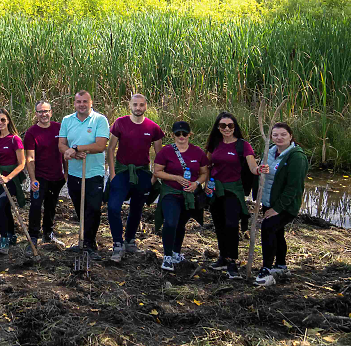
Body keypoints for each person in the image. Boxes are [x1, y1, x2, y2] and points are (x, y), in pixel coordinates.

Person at [204, 112, 266, 279]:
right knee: (219, 224)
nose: (226, 129)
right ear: (218, 127)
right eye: (223, 125)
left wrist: (259, 170)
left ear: (235, 127)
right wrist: (206, 186)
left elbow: (253, 167)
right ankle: (223, 257)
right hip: (216, 190)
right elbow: (207, 166)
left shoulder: (243, 145)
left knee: (232, 224)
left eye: (230, 125)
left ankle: (232, 261)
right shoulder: (214, 144)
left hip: (234, 190)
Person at [106, 94, 165, 262]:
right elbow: (110, 149)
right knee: (113, 207)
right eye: (135, 104)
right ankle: (117, 244)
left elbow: (159, 156)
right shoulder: (120, 123)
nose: (138, 108)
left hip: (142, 173)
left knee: (137, 209)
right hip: (122, 171)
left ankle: (130, 241)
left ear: (146, 106)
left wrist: (153, 177)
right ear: (129, 105)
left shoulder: (153, 128)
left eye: (141, 105)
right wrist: (112, 174)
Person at [255, 123, 308, 287]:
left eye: (283, 134)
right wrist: (260, 170)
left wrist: (277, 209)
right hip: (268, 201)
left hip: (285, 205)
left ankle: (266, 270)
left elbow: (293, 187)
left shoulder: (296, 157)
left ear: (290, 136)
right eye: (275, 135)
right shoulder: (270, 151)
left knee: (268, 227)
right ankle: (281, 265)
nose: (279, 138)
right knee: (277, 232)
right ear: (271, 137)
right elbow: (266, 172)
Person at [58, 91, 109, 260]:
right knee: (80, 208)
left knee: (93, 208)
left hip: (94, 174)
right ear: (74, 103)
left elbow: (100, 145)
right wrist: (70, 153)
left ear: (91, 102)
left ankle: (89, 243)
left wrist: (78, 148)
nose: (82, 104)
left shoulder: (99, 120)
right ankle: (83, 240)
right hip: (74, 173)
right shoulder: (67, 120)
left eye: (85, 101)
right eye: (78, 101)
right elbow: (61, 145)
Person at [153, 121, 209, 272]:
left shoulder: (198, 152)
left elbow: (204, 173)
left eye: (184, 133)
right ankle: (167, 256)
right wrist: (176, 178)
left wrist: (196, 183)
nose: (181, 136)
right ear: (173, 135)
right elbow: (157, 172)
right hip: (171, 192)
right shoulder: (166, 152)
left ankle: (176, 253)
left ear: (190, 134)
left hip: (189, 195)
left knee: (181, 224)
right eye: (178, 134)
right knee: (170, 222)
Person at [0, 108, 26, 255]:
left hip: (11, 181)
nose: (0, 123)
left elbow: (22, 164)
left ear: (8, 120)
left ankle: (4, 239)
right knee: (5, 207)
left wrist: (8, 177)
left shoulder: (15, 139)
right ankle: (11, 234)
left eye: (3, 120)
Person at [25, 100, 65, 246]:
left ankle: (48, 234)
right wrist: (33, 179)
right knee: (35, 206)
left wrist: (65, 174)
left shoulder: (59, 128)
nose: (44, 114)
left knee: (51, 206)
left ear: (51, 112)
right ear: (36, 114)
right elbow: (30, 158)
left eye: (46, 111)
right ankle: (33, 236)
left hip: (57, 177)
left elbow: (64, 151)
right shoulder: (31, 133)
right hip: (40, 177)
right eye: (40, 112)